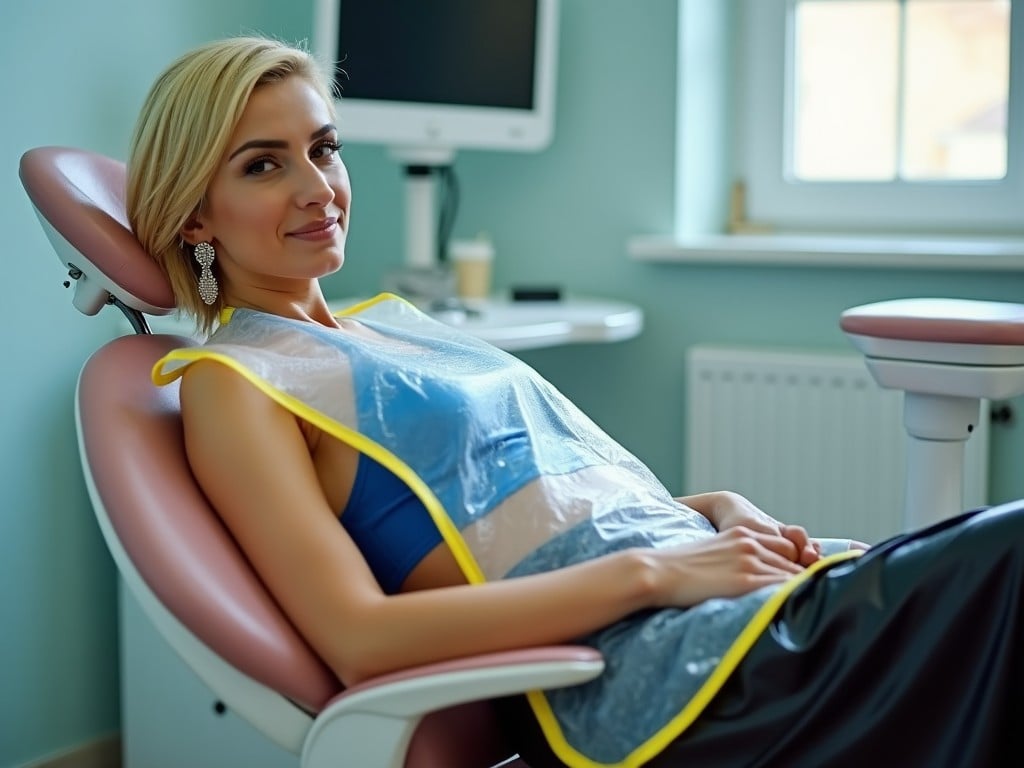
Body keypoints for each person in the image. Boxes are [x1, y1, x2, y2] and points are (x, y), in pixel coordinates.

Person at [127, 36, 1024, 768]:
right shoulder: (235, 385)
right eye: (263, 166)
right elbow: (360, 638)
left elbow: (544, 506)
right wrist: (658, 574)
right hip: (675, 682)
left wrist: (714, 512)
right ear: (195, 216)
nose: (318, 188)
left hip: (725, 611)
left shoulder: (398, 324)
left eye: (323, 149)